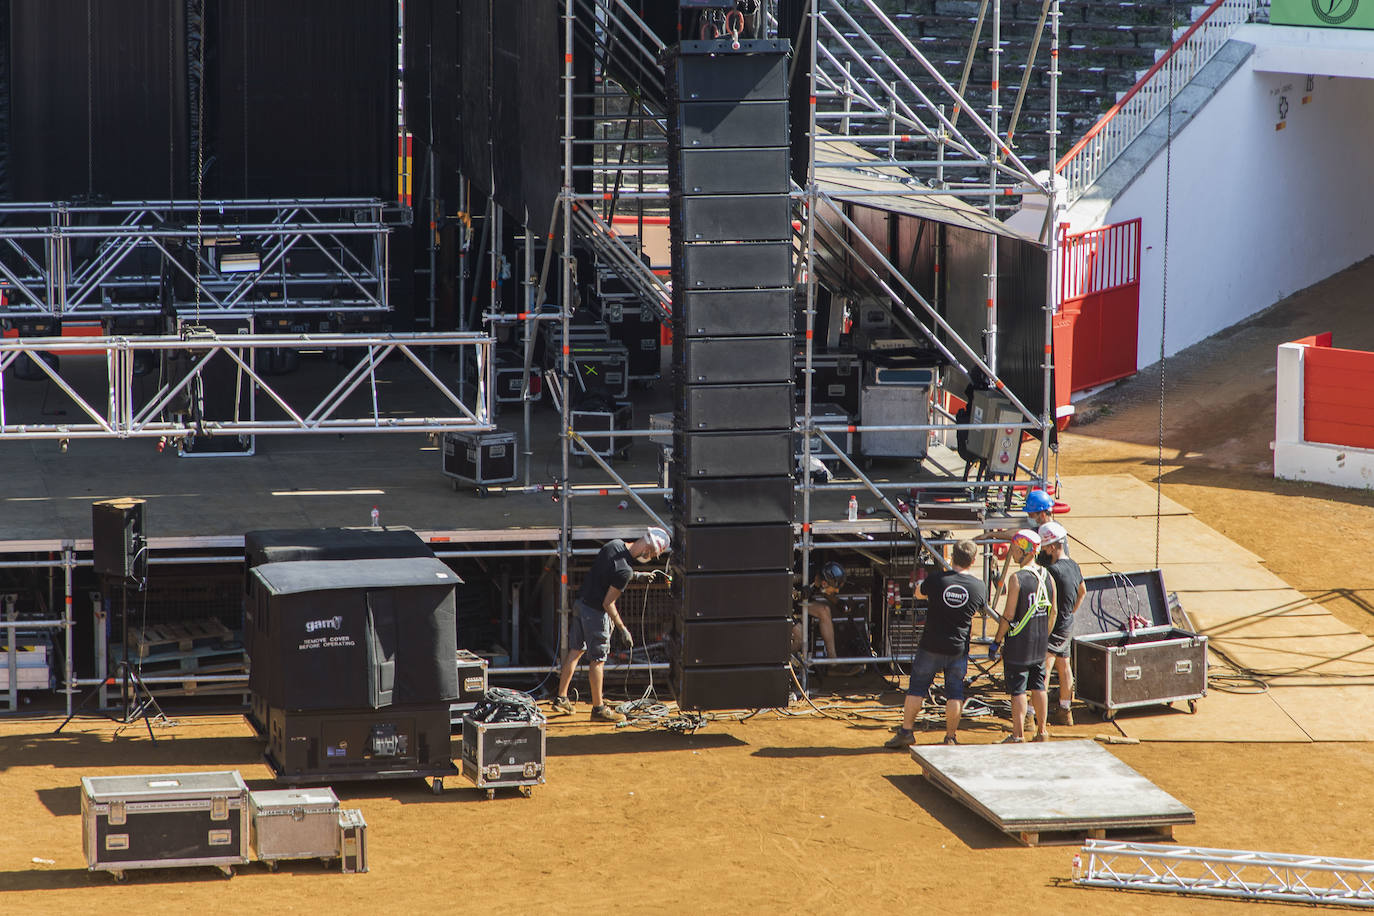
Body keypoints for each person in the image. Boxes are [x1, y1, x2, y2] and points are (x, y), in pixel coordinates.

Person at [552, 527, 670, 723]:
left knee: (575, 651)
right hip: (595, 613)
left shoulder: (613, 545)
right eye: (651, 554)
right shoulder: (625, 571)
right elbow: (608, 603)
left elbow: (611, 570)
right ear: (648, 550)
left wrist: (636, 575)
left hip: (581, 604)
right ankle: (598, 708)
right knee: (598, 659)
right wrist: (622, 628)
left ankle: (561, 697)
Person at [885, 540, 988, 749]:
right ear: (974, 560)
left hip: (930, 645)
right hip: (957, 648)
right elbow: (981, 610)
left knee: (916, 688)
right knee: (955, 692)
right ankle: (950, 737)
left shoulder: (936, 579)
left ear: (952, 558)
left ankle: (906, 732)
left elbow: (918, 594)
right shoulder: (979, 586)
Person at [990, 529, 1056, 743]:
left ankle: (1018, 735)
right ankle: (1042, 731)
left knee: (1018, 689)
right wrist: (1044, 635)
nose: (1012, 552)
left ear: (1023, 551)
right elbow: (1053, 611)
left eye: (1015, 549)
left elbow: (1008, 615)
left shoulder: (1016, 578)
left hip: (1019, 644)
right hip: (1040, 643)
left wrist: (997, 641)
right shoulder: (1048, 576)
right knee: (1039, 685)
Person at [1038, 521, 1085, 726]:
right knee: (1065, 667)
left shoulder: (1053, 571)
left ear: (1052, 546)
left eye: (1045, 547)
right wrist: (1071, 611)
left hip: (1054, 625)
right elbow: (1082, 591)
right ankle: (1065, 710)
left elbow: (1048, 603)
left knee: (1044, 669)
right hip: (1067, 623)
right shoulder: (1074, 565)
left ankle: (1034, 715)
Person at [791, 561, 852, 675]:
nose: (837, 591)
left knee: (824, 610)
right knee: (800, 635)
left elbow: (824, 591)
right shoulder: (803, 575)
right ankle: (785, 665)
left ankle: (833, 664)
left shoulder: (819, 577)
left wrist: (838, 602)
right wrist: (798, 593)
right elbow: (782, 584)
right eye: (835, 587)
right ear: (825, 583)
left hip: (798, 602)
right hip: (782, 605)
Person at [1024, 489, 1069, 555]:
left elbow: (1017, 536)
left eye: (1031, 515)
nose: (1029, 518)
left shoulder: (1047, 532)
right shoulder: (1056, 527)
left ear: (1042, 514)